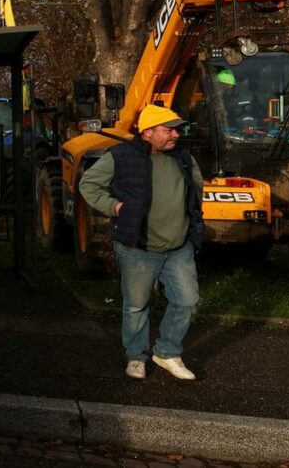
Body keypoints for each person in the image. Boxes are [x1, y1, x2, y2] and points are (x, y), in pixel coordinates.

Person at [78, 104, 204, 381]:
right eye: (168, 130)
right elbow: (88, 185)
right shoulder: (121, 156)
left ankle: (167, 352)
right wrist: (115, 207)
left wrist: (193, 229)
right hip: (138, 247)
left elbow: (197, 190)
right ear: (147, 132)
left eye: (176, 130)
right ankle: (136, 356)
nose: (175, 135)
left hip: (178, 247)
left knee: (187, 301)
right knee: (136, 305)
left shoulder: (184, 158)